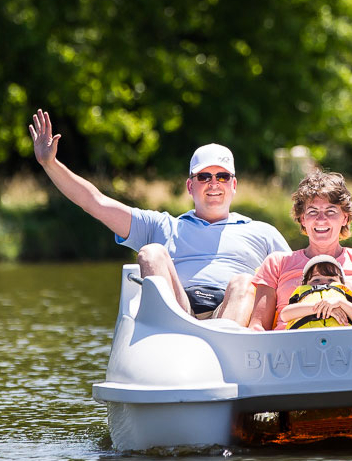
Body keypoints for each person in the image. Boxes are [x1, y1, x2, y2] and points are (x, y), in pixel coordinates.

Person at [28, 109, 289, 325]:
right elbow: (95, 202)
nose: (213, 184)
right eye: (204, 177)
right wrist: (50, 164)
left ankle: (226, 351)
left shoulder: (262, 232)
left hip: (233, 314)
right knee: (151, 252)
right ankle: (169, 340)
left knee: (244, 281)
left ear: (234, 185)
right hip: (178, 314)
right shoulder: (163, 226)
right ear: (190, 186)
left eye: (222, 177)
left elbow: (298, 276)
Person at [248, 171, 352, 331]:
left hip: (351, 342)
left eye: (330, 211)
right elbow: (258, 326)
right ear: (303, 219)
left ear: (345, 218)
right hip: (290, 343)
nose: (321, 219)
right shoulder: (277, 263)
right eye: (312, 212)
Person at [280, 254, 352, 330]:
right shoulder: (301, 293)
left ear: (341, 283)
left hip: (342, 340)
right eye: (316, 280)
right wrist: (324, 308)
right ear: (305, 284)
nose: (323, 283)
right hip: (305, 340)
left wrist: (341, 303)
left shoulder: (344, 297)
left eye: (331, 280)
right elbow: (285, 315)